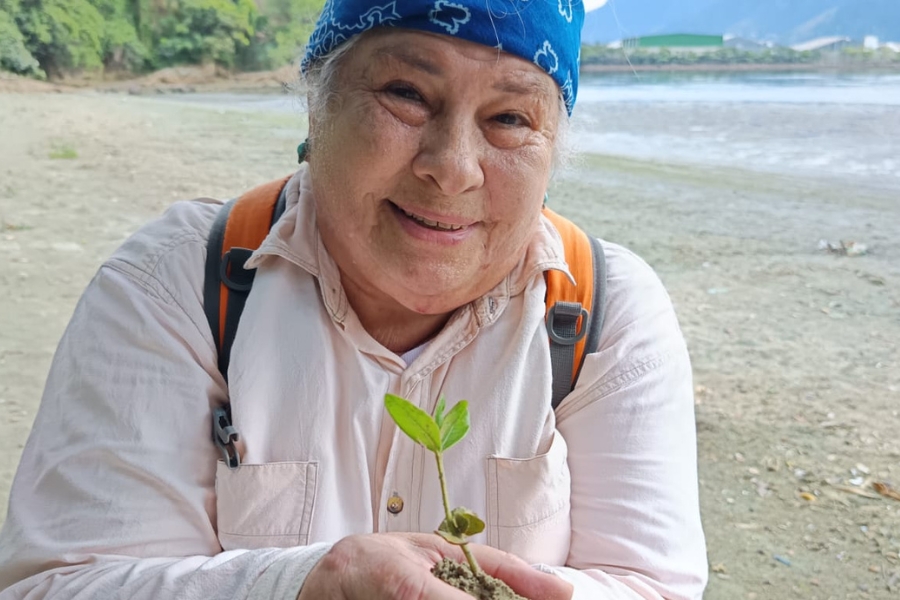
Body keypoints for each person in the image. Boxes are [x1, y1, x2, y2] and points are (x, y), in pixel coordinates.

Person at [0, 1, 708, 599]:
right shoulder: (178, 282)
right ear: (317, 102)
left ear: (553, 150)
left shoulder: (607, 315)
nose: (452, 168)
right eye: (406, 94)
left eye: (510, 119)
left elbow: (651, 584)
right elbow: (60, 580)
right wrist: (304, 582)